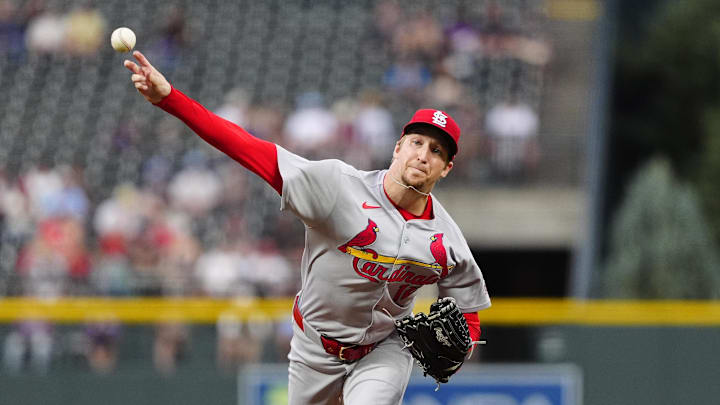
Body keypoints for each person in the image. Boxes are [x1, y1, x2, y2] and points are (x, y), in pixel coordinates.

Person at [123, 50, 490, 405]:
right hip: (315, 345)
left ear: (446, 169)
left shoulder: (447, 241)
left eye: (438, 151)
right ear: (397, 147)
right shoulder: (337, 187)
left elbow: (468, 307)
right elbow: (247, 148)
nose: (424, 155)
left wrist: (461, 348)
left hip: (386, 348)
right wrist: (169, 99)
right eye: (417, 142)